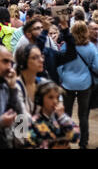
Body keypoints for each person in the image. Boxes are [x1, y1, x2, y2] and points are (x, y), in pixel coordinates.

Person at [58, 21, 98, 149]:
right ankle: (83, 142)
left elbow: (59, 65)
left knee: (67, 113)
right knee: (83, 114)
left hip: (67, 82)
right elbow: (96, 67)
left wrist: (61, 78)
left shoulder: (65, 46)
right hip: (85, 84)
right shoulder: (91, 47)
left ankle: (65, 140)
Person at [25, 81, 80, 149]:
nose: (55, 101)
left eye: (57, 97)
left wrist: (63, 117)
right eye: (50, 97)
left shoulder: (62, 118)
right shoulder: (33, 122)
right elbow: (29, 144)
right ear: (40, 100)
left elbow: (75, 138)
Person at [15, 44, 47, 118]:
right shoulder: (15, 87)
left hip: (39, 128)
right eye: (35, 58)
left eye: (41, 56)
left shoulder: (42, 82)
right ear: (23, 61)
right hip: (21, 128)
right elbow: (20, 124)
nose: (41, 60)